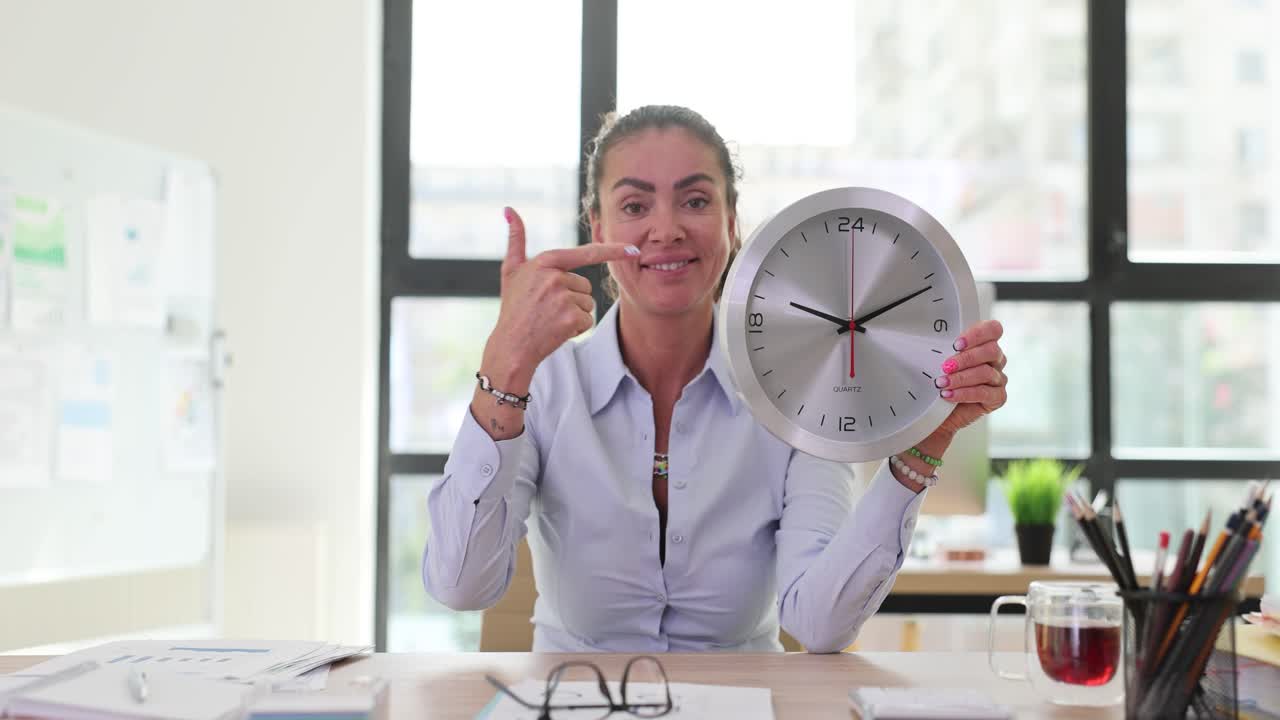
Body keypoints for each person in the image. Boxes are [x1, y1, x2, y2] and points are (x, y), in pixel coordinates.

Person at [422, 105, 1009, 653]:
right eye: (634, 206)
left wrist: (924, 449)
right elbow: (459, 587)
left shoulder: (794, 395)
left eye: (695, 201)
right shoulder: (545, 387)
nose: (667, 228)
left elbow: (817, 622)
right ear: (596, 225)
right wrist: (504, 366)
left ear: (732, 222)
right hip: (573, 701)